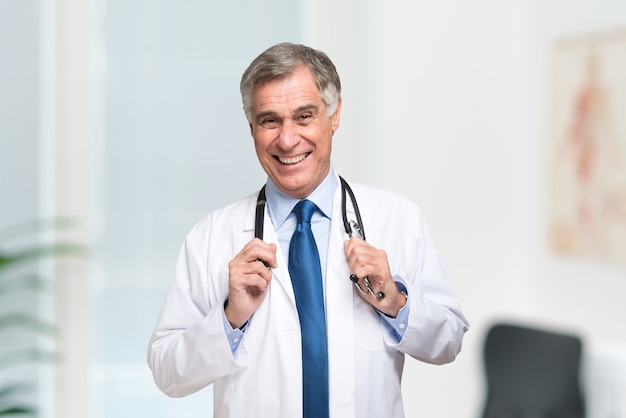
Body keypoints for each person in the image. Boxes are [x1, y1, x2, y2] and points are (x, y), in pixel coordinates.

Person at [147, 42, 469, 418]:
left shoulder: (397, 218)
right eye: (270, 120)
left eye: (304, 116)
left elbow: (448, 342)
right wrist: (229, 317)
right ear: (251, 127)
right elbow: (167, 372)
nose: (287, 140)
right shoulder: (212, 236)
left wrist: (395, 300)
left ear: (334, 115)